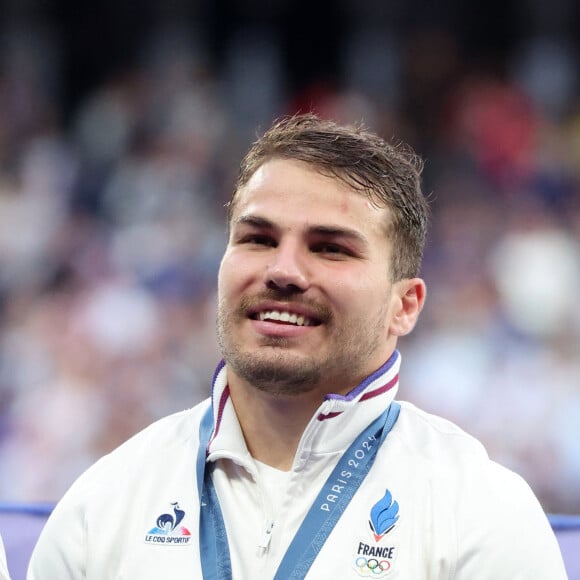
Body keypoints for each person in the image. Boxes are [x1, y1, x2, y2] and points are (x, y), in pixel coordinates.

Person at [28, 114, 567, 579]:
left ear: (404, 306)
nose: (282, 271)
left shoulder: (480, 513)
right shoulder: (106, 502)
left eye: (330, 248)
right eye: (258, 239)